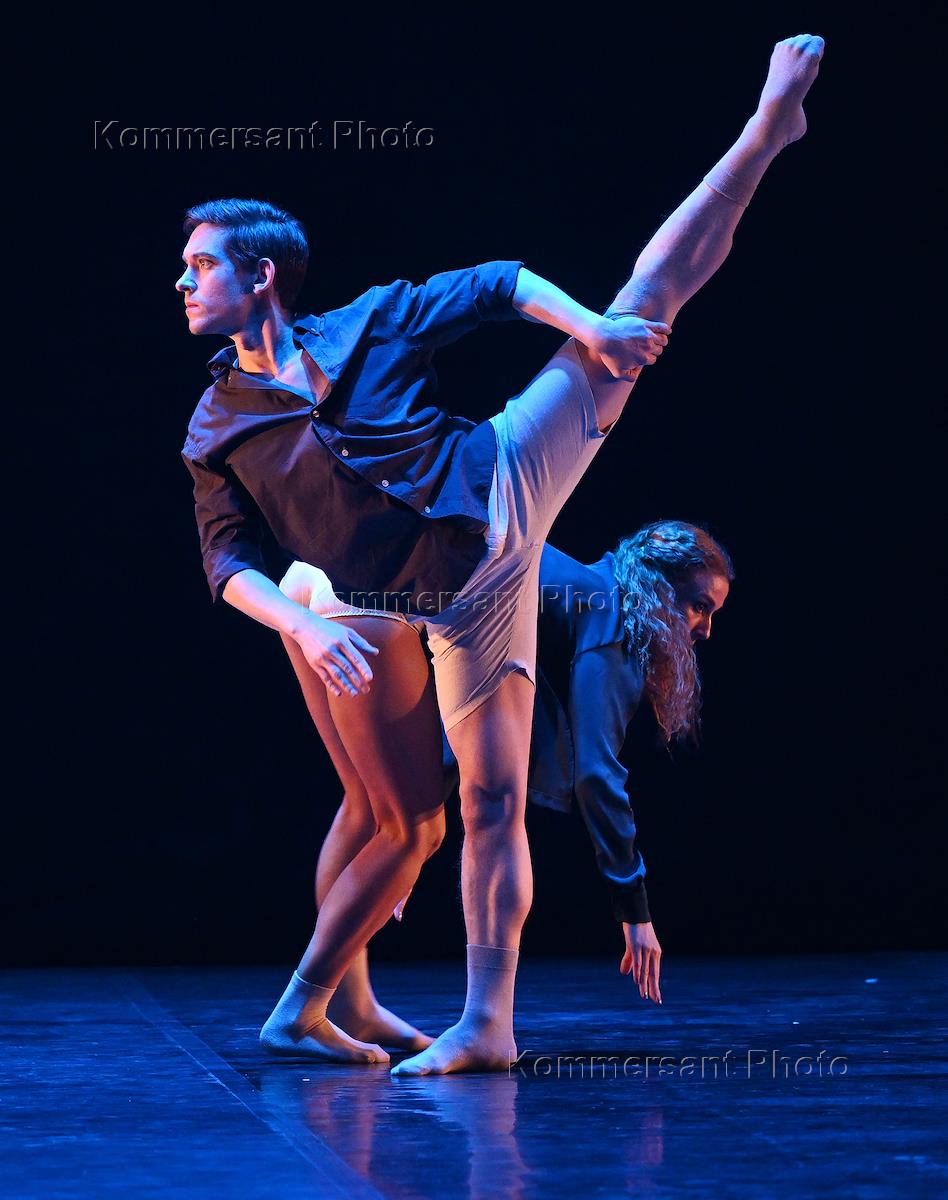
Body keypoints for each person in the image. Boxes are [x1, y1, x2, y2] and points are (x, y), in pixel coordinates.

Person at [179, 34, 824, 1074]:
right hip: (382, 600)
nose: (183, 280)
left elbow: (498, 281)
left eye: (201, 263)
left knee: (638, 311)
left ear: (262, 277)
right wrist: (299, 621)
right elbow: (227, 561)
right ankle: (341, 1002)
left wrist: (591, 331)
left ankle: (764, 131)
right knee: (383, 810)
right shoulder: (216, 427)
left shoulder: (370, 321)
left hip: (501, 496)